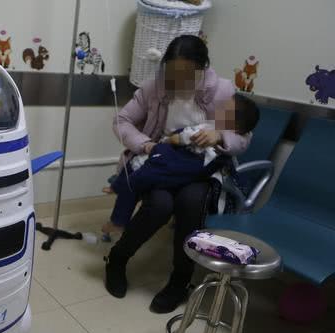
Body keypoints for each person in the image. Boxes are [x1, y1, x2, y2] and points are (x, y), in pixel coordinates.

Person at [104, 35, 251, 313]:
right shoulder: (155, 87)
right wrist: (145, 145)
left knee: (191, 202)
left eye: (186, 74)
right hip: (165, 161)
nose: (178, 80)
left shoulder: (222, 91)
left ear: (203, 68)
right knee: (159, 204)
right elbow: (122, 121)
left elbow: (244, 136)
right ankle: (117, 259)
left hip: (202, 169)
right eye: (172, 72)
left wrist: (221, 135)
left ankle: (180, 280)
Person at [103, 94, 260, 234]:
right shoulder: (211, 123)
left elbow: (239, 141)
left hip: (189, 165)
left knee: (139, 179)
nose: (219, 110)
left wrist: (217, 136)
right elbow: (186, 132)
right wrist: (168, 140)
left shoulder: (233, 136)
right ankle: (119, 187)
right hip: (176, 152)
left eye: (225, 110)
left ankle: (119, 217)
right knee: (136, 161)